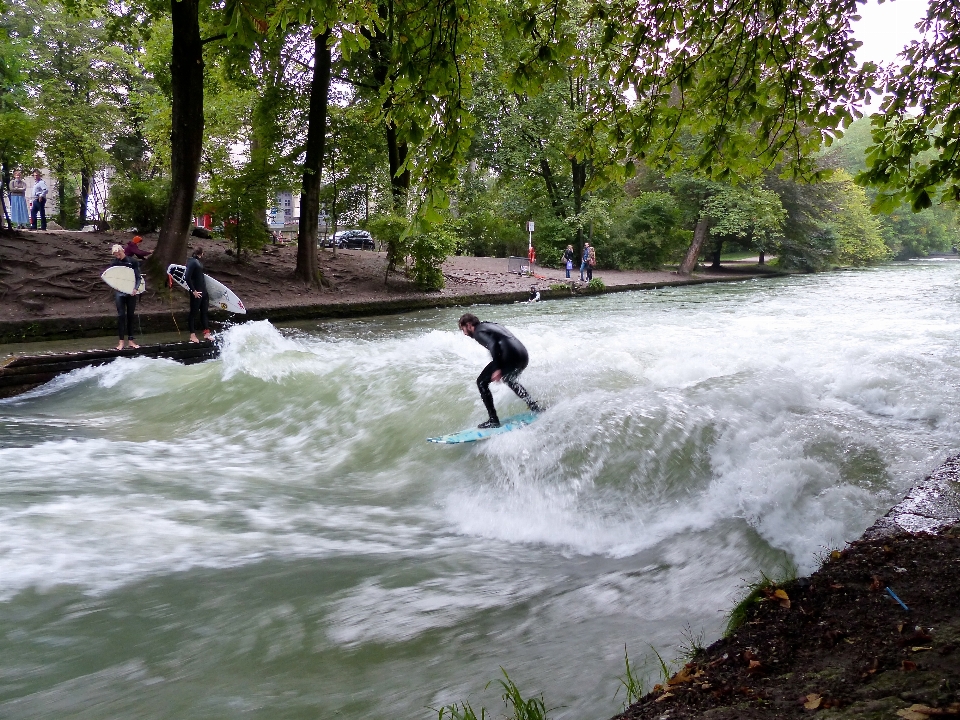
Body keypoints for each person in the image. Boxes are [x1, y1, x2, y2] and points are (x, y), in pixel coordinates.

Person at [458, 313, 542, 428]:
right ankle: (534, 407)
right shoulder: (489, 325)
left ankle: (493, 420)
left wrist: (497, 368)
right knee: (509, 379)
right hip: (522, 355)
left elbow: (493, 344)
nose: (465, 333)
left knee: (481, 382)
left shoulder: (478, 331)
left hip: (510, 356)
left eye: (463, 329)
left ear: (468, 325)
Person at [109, 244, 140, 350]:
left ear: (123, 251)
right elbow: (111, 278)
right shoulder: (114, 263)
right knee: (121, 316)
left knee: (130, 316)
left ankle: (131, 341)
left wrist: (135, 289)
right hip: (119, 293)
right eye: (116, 255)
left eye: (119, 253)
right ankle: (121, 342)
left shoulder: (133, 262)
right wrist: (115, 286)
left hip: (131, 292)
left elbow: (138, 278)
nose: (118, 256)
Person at [185, 247, 211, 343]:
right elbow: (187, 278)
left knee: (204, 312)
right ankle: (192, 335)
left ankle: (207, 333)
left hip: (203, 292)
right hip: (197, 292)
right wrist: (193, 291)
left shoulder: (198, 262)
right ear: (202, 253)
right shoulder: (192, 262)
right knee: (193, 313)